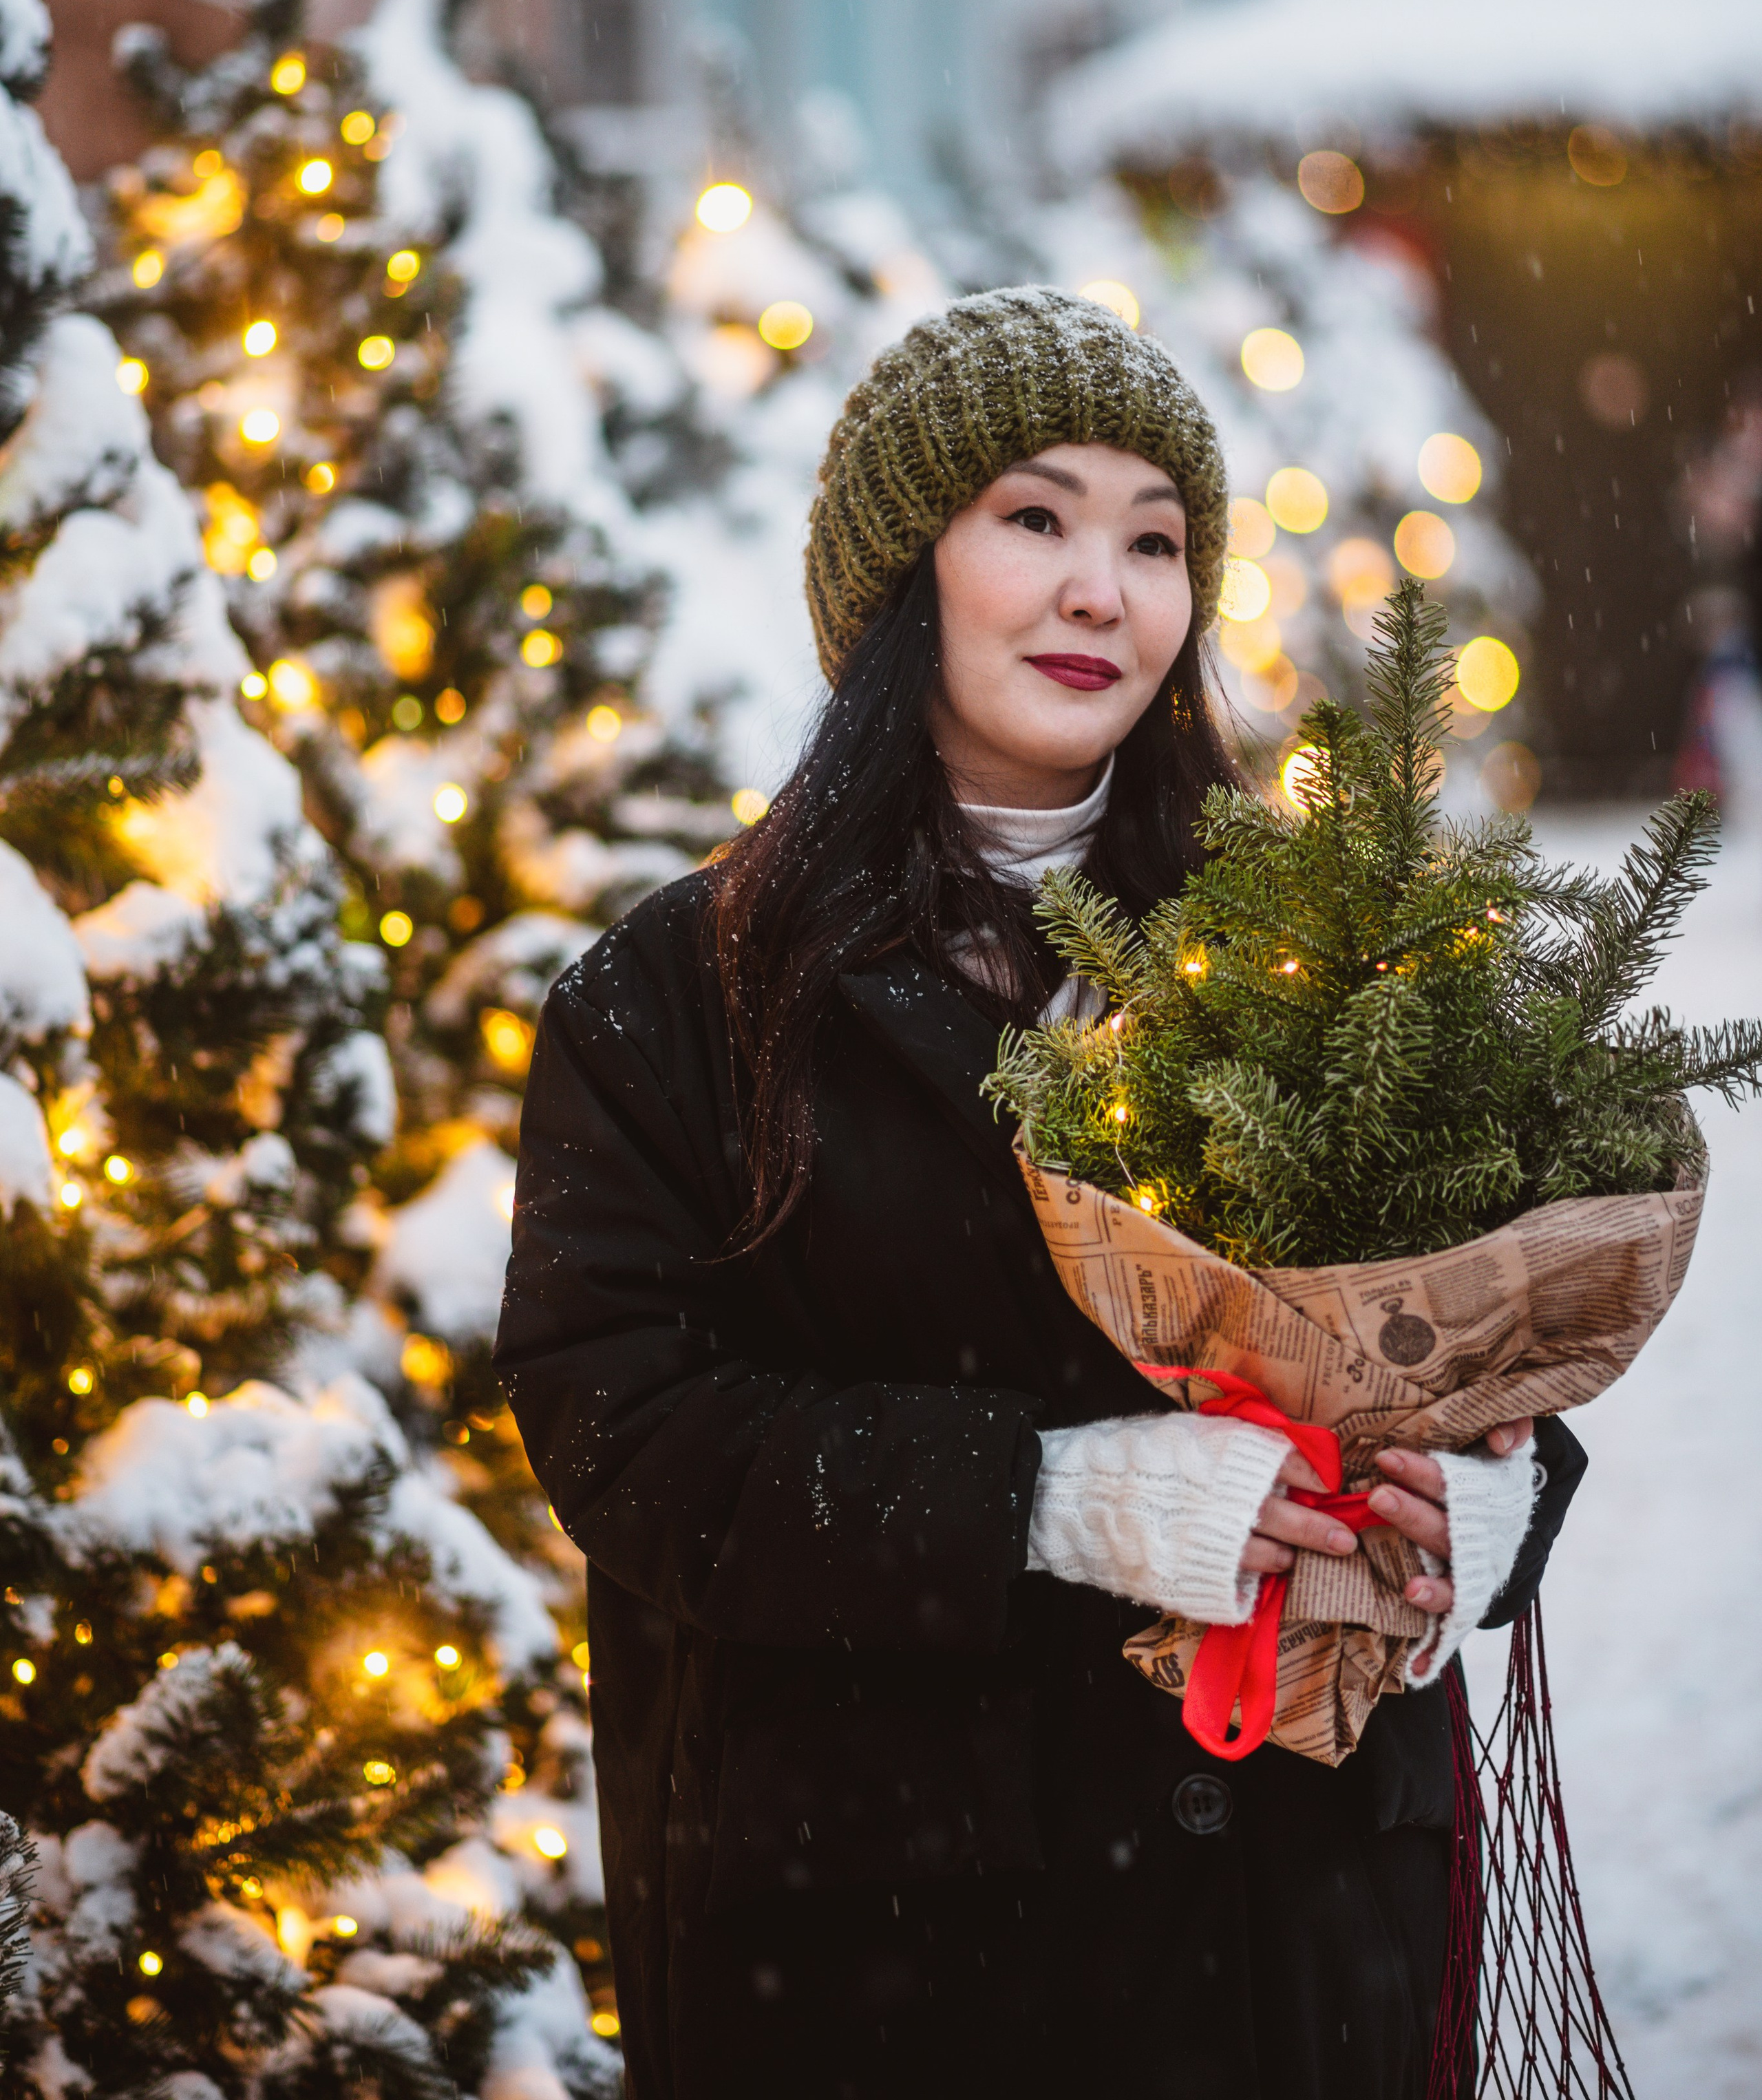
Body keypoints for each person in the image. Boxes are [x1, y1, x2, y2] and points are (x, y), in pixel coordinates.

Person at [497, 288, 1585, 2100]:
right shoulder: (684, 993)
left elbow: (1510, 1362)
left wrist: (1461, 1518)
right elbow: (625, 1431)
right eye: (1037, 516)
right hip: (906, 1958)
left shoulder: (1315, 951)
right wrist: (1060, 1496)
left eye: (1155, 540)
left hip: (1297, 1941)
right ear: (898, 571)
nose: (1105, 589)